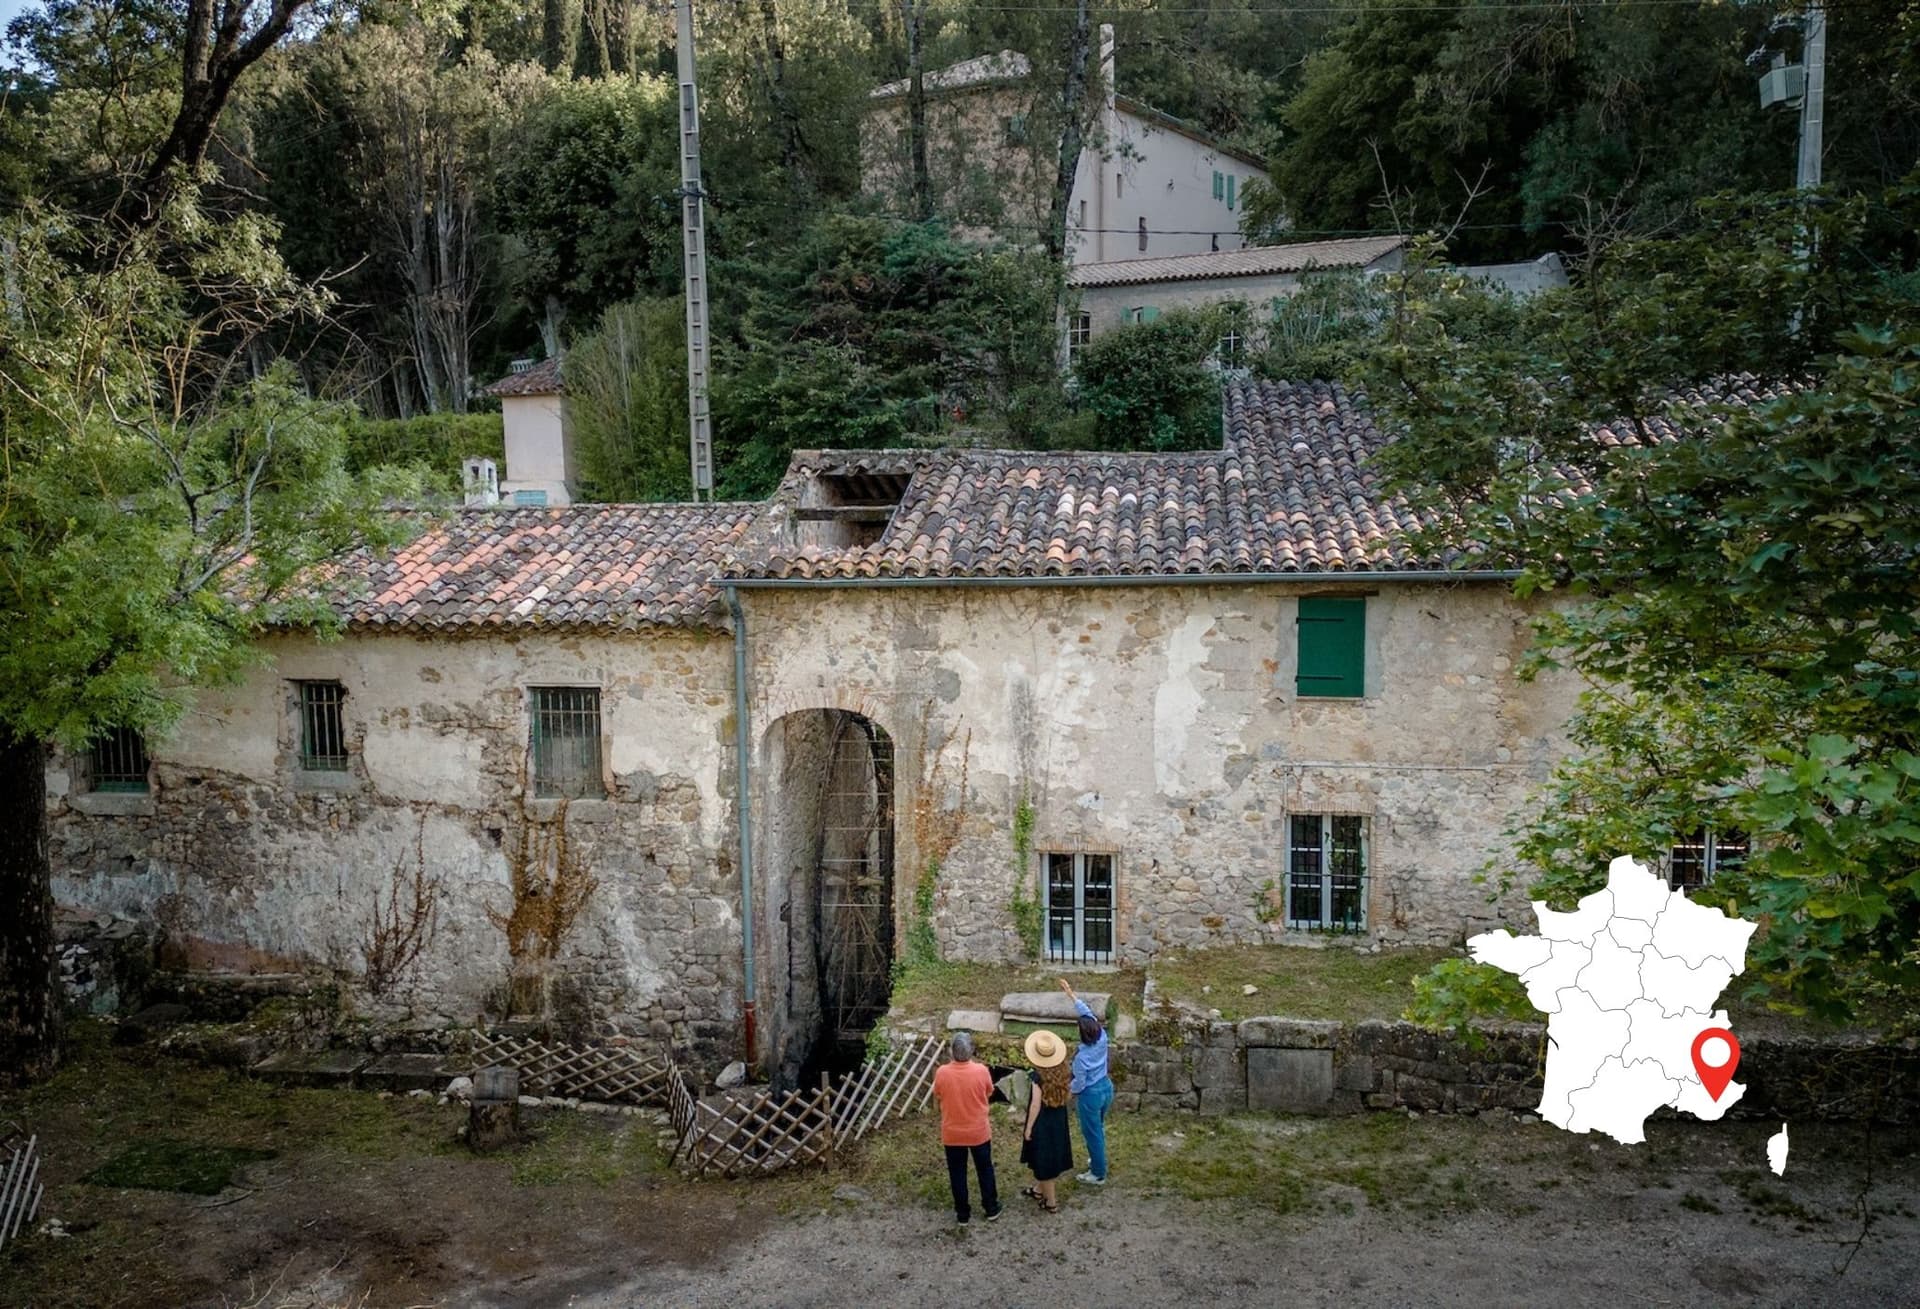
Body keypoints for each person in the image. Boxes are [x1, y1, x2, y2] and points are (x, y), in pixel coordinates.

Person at [931, 1031, 1001, 1226]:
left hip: (953, 1132)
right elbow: (989, 1091)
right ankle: (991, 1208)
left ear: (951, 1051)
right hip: (978, 1130)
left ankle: (963, 1214)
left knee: (957, 1173)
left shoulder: (942, 1072)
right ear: (971, 1050)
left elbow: (938, 1094)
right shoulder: (981, 1070)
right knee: (985, 1169)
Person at [1059, 976, 1112, 1185]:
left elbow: (1079, 1084)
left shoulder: (1081, 1059)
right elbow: (1087, 1014)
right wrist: (1070, 993)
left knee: (1092, 1133)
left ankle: (1098, 1173)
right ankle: (1097, 1158)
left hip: (1090, 1095)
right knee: (1097, 1128)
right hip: (1106, 1088)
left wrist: (1067, 1093)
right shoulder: (1102, 1037)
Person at [1018, 1029, 1075, 1213]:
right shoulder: (1065, 1070)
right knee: (1051, 1156)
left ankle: (1051, 1202)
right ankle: (1038, 1190)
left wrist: (1028, 1128)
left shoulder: (1038, 1076)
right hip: (1058, 1119)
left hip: (1042, 1122)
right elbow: (1069, 1093)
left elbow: (1035, 1105)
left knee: (1044, 1162)